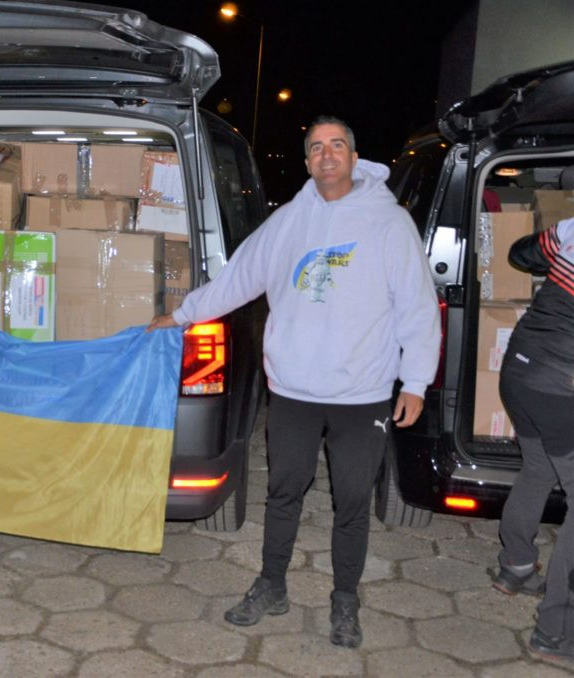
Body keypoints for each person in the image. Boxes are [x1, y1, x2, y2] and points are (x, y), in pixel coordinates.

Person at [148, 116, 440, 648]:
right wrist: (182, 315)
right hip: (293, 392)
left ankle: (345, 601)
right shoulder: (288, 222)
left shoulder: (389, 223)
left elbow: (417, 307)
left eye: (336, 146)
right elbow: (238, 278)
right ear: (307, 162)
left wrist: (416, 381)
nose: (326, 155)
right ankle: (271, 585)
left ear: (353, 157)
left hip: (362, 394)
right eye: (315, 148)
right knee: (283, 493)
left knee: (351, 502)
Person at [493, 216, 574, 664]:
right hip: (559, 383)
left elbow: (520, 254)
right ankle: (557, 631)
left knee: (538, 468)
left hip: (519, 368)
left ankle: (517, 566)